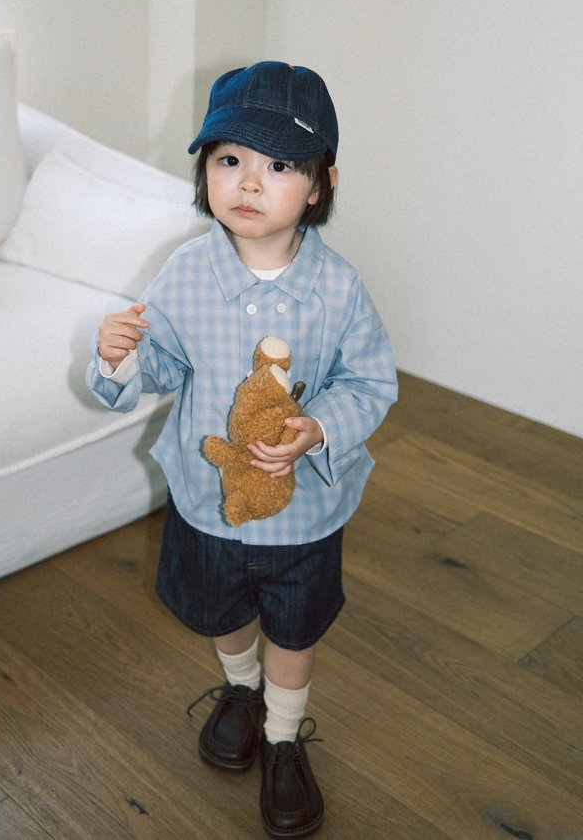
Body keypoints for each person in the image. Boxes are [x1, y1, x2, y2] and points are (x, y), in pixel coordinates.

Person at [87, 61, 397, 839]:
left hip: (305, 515)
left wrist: (318, 426)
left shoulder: (340, 289)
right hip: (208, 501)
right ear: (205, 170)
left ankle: (284, 736)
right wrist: (120, 358)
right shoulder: (185, 274)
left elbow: (370, 381)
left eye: (281, 164)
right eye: (230, 158)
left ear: (321, 184)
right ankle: (241, 686)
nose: (250, 182)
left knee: (293, 627)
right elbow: (160, 366)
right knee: (221, 611)